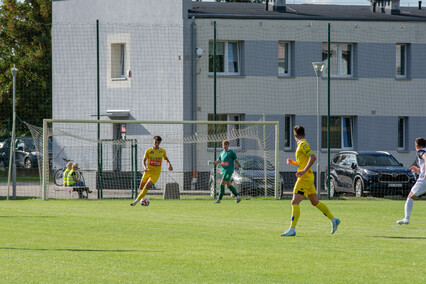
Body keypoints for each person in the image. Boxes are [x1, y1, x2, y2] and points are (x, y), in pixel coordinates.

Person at [281, 125, 340, 237]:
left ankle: (292, 229)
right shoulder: (301, 145)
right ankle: (334, 220)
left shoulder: (303, 144)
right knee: (314, 202)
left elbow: (312, 157)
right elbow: (302, 161)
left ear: (294, 136)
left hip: (304, 178)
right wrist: (293, 162)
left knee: (294, 202)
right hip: (308, 177)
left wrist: (303, 171)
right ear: (304, 134)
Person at [130, 136, 173, 206]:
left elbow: (166, 159)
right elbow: (144, 161)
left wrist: (169, 165)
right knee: (141, 187)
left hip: (156, 174)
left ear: (160, 143)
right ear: (153, 142)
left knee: (147, 185)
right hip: (147, 172)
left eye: (158, 143)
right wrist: (144, 167)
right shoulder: (148, 151)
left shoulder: (162, 151)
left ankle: (135, 202)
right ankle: (142, 198)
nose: (157, 144)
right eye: (156, 142)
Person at [396, 137, 426, 225]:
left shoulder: (421, 152)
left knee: (410, 196)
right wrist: (419, 170)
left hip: (424, 180)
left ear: (416, 146)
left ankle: (406, 218)